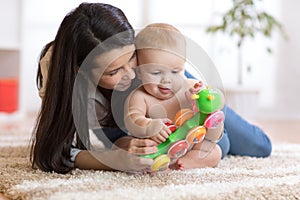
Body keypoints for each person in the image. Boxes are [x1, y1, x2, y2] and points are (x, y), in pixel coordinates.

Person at [31, 3, 272, 174]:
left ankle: (250, 126)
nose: (129, 74)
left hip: (158, 75)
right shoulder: (59, 73)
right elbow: (56, 152)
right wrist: (115, 158)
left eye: (130, 58)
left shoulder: (143, 66)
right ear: (79, 71)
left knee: (255, 146)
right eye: (113, 72)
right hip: (131, 115)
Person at [124, 23, 223, 170]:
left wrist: (202, 100)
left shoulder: (190, 87)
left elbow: (214, 106)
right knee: (140, 160)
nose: (167, 80)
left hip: (191, 144)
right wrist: (148, 126)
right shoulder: (140, 97)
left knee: (215, 152)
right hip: (161, 150)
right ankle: (167, 164)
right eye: (156, 73)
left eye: (175, 71)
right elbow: (132, 119)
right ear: (139, 72)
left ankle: (187, 162)